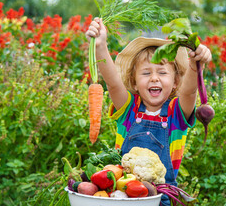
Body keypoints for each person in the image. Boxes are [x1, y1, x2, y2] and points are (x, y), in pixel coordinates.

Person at [85, 17, 212, 205]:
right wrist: (100, 46)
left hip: (161, 197)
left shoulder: (175, 114)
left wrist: (195, 64)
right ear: (134, 82)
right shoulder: (129, 109)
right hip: (122, 194)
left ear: (176, 81)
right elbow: (112, 83)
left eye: (162, 72)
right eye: (146, 73)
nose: (154, 78)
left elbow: (190, 91)